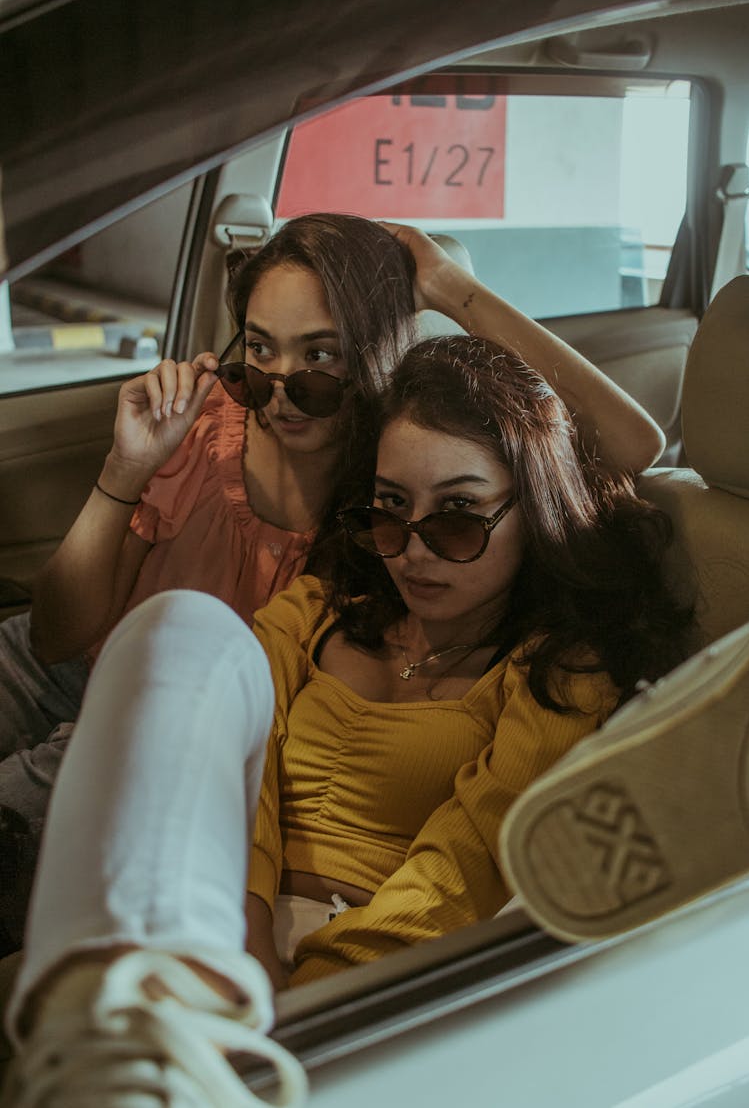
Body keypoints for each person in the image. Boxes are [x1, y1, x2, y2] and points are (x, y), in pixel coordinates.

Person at [0, 333, 689, 1105]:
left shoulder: (561, 672)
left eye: (457, 518)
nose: (413, 552)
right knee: (179, 626)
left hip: (368, 985)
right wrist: (249, 936)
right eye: (391, 511)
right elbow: (233, 769)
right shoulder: (323, 609)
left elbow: (465, 866)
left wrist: (302, 1008)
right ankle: (138, 1009)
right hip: (212, 930)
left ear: (532, 510)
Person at [0, 217, 664, 954]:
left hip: (166, 725)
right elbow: (55, 637)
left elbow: (624, 444)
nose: (282, 393)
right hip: (98, 668)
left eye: (319, 357)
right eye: (258, 351)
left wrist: (450, 286)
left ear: (371, 358)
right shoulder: (210, 426)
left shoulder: (388, 483)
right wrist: (124, 471)